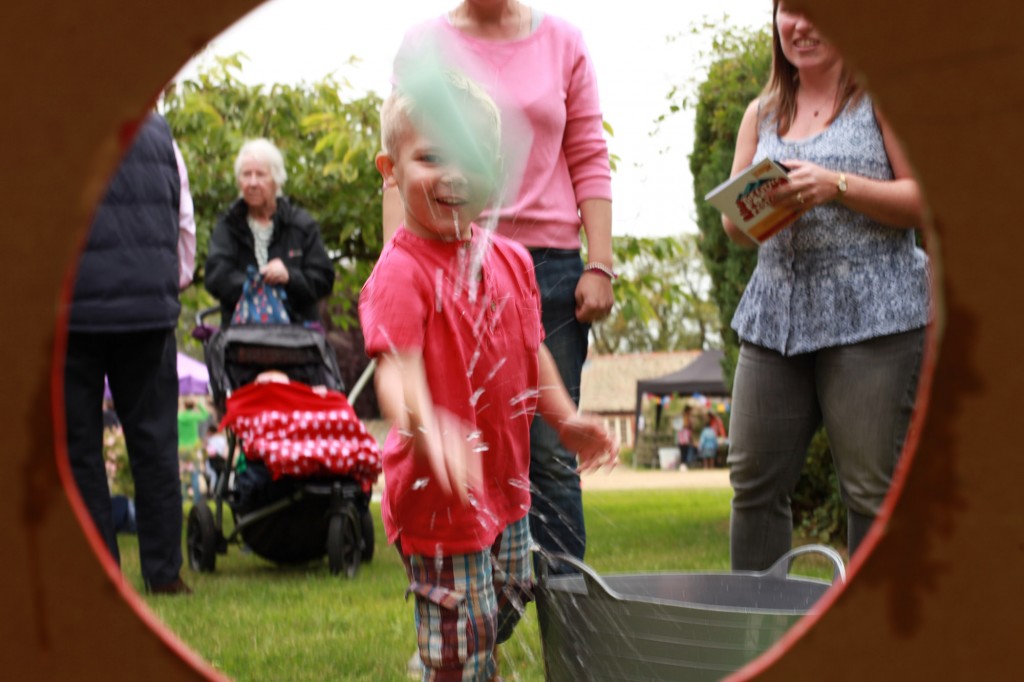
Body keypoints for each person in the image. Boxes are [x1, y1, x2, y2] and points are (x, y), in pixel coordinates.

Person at [361, 70, 617, 681]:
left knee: (503, 600)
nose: (453, 173)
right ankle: (452, 664)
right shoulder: (402, 271)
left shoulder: (510, 260)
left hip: (505, 487)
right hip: (439, 498)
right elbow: (396, 374)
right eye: (430, 156)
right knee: (463, 638)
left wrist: (566, 417)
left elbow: (532, 351)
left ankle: (452, 656)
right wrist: (430, 429)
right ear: (390, 169)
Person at [384, 0, 615, 575]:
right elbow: (398, 365)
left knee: (548, 462)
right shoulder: (423, 45)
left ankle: (565, 631)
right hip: (439, 260)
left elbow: (587, 151)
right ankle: (455, 628)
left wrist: (601, 263)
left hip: (543, 261)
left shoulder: (564, 40)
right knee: (461, 447)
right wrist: (402, 262)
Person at [722, 1, 929, 570]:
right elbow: (735, 229)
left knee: (868, 491)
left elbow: (924, 200)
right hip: (775, 319)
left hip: (874, 315)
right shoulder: (759, 115)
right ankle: (762, 638)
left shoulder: (882, 97)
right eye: (790, 9)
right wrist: (765, 207)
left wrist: (836, 185)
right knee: (754, 487)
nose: (802, 24)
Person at [62, 111, 195, 595]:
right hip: (148, 310)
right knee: (155, 445)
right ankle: (165, 574)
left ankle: (100, 572)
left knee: (79, 449)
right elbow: (184, 222)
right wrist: (167, 283)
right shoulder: (157, 130)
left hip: (73, 311)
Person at [205, 138, 335, 326]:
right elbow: (216, 277)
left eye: (260, 175)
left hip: (297, 337)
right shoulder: (228, 225)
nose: (253, 182)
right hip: (241, 337)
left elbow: (323, 279)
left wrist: (289, 277)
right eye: (246, 175)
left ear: (276, 180)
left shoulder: (301, 225)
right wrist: (257, 283)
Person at [177, 397, 208, 502]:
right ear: (192, 406)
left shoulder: (179, 417)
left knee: (184, 475)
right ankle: (196, 501)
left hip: (182, 449)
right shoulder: (193, 416)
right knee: (195, 475)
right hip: (193, 449)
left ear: (185, 406)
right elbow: (205, 415)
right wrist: (198, 404)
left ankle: (184, 500)